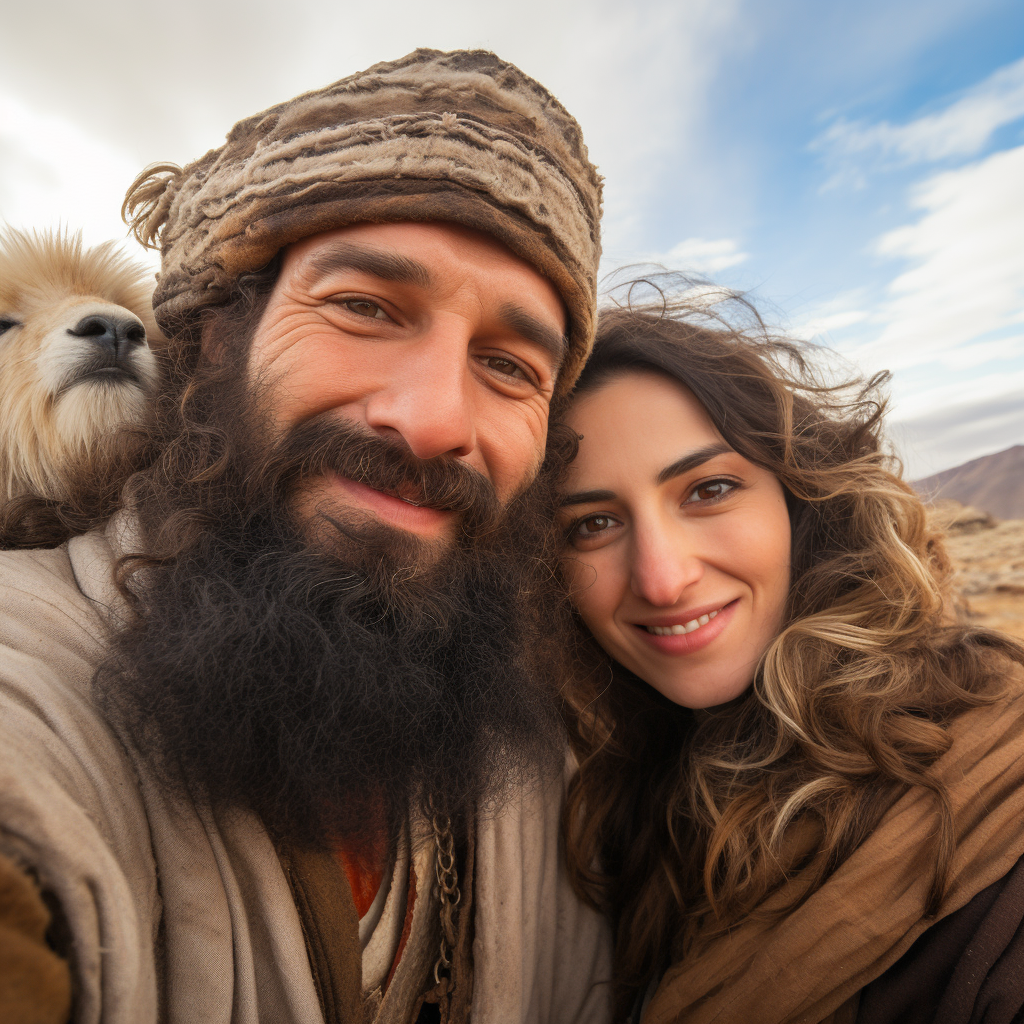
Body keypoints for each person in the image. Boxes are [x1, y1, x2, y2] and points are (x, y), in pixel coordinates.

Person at [0, 50, 612, 1024]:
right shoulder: (33, 693)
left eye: (507, 365)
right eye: (365, 307)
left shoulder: (550, 726)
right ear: (211, 340)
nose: (432, 418)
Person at [555, 290, 1024, 1023]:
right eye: (592, 524)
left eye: (708, 490)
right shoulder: (624, 792)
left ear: (800, 499)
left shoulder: (988, 776)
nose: (662, 577)